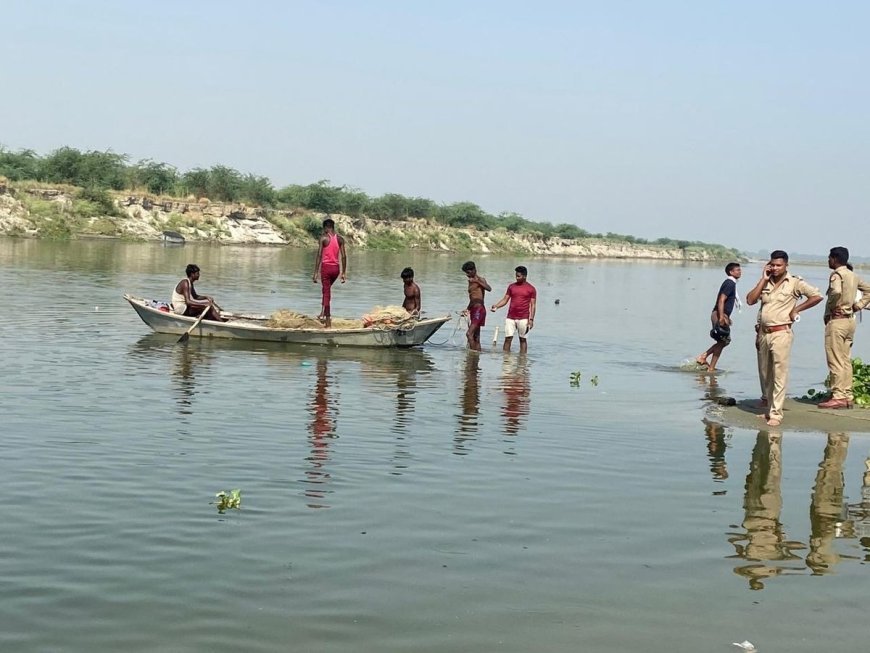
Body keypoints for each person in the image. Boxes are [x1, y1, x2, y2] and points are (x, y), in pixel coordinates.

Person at [745, 250, 822, 427]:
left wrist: (797, 310)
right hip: (763, 333)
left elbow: (817, 296)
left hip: (781, 332)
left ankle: (776, 413)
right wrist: (763, 279)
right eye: (772, 264)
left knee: (779, 373)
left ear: (786, 265)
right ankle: (769, 408)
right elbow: (750, 300)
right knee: (766, 373)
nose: (775, 268)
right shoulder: (766, 281)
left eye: (779, 265)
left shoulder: (794, 282)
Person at [818, 247, 870, 409]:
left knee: (835, 359)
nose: (828, 261)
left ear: (834, 259)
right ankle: (847, 394)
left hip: (838, 320)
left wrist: (831, 308)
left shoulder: (837, 275)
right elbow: (868, 290)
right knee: (845, 359)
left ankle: (838, 395)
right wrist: (857, 306)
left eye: (829, 258)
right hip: (850, 321)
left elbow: (835, 293)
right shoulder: (853, 275)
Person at [696, 262, 743, 371]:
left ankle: (708, 363)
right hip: (718, 314)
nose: (740, 272)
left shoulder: (731, 283)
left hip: (720, 314)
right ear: (731, 272)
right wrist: (721, 316)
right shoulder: (730, 283)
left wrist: (726, 316)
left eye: (740, 270)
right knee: (724, 341)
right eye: (737, 270)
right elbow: (721, 299)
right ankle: (705, 360)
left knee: (723, 342)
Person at [491, 265, 537, 353]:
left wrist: (531, 319)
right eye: (516, 275)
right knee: (508, 338)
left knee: (522, 339)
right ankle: (506, 361)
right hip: (510, 317)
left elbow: (533, 305)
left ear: (524, 276)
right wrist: (496, 306)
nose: (516, 278)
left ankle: (522, 361)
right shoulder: (511, 287)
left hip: (524, 318)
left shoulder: (531, 289)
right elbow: (505, 300)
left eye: (518, 276)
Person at [312, 218, 347, 328]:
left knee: (326, 292)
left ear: (326, 228)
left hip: (326, 268)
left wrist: (315, 273)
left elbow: (318, 255)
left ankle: (327, 320)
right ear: (333, 227)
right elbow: (344, 256)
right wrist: (343, 273)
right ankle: (322, 312)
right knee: (326, 290)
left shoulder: (323, 238)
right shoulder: (340, 239)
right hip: (336, 269)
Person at [461, 261, 491, 351]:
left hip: (479, 309)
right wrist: (467, 309)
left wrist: (477, 281)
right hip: (473, 309)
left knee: (469, 334)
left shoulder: (481, 279)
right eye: (466, 273)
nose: (467, 275)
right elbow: (473, 298)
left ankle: (473, 355)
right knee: (476, 337)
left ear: (474, 270)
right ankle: (476, 359)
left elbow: (489, 288)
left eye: (468, 272)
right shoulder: (470, 282)